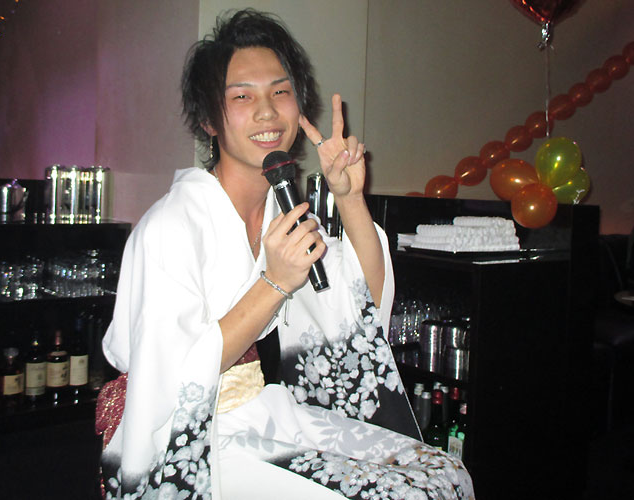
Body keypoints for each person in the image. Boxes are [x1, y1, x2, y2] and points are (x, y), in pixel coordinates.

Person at [97, 9, 474, 499]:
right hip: (185, 435)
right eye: (242, 96)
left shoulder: (282, 206)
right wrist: (273, 283)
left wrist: (349, 198)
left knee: (442, 474)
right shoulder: (170, 226)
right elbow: (171, 378)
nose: (267, 113)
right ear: (209, 119)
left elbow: (358, 305)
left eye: (280, 92)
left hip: (258, 411)